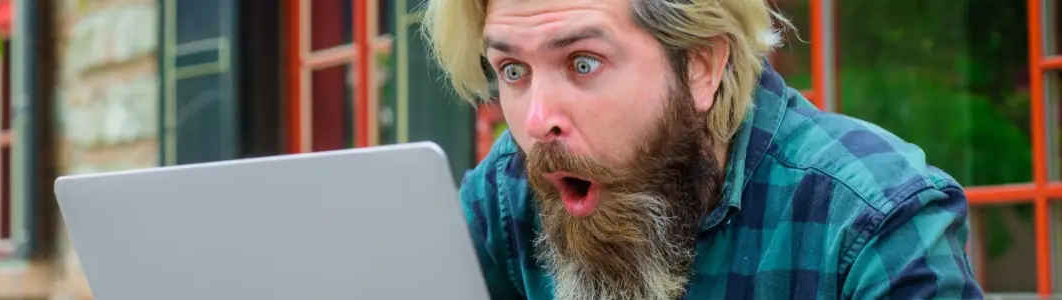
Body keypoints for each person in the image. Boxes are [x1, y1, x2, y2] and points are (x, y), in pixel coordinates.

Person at [421, 0, 983, 299]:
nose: (538, 121)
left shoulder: (871, 222)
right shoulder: (506, 195)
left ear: (701, 66)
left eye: (583, 63)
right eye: (513, 71)